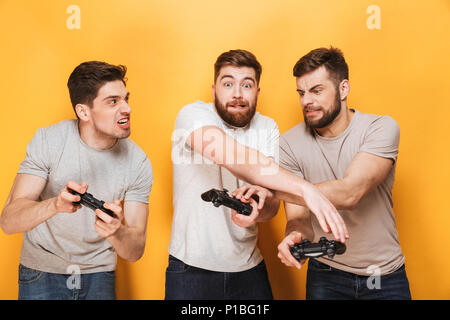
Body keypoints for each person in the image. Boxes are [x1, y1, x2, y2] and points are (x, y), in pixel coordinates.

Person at [166, 49, 347, 300]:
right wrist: (307, 190)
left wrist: (259, 205)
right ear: (214, 89)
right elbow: (229, 154)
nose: (237, 93)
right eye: (227, 83)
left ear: (257, 92)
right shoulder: (192, 115)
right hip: (190, 270)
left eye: (247, 85)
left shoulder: (267, 127)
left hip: (249, 270)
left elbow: (271, 206)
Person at [0, 61, 153, 300]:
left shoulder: (138, 161)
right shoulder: (48, 140)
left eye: (126, 99)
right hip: (41, 271)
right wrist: (55, 205)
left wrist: (116, 232)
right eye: (113, 101)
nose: (127, 109)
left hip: (99, 274)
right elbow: (9, 222)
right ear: (83, 112)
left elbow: (134, 251)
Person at [276, 47, 411, 300]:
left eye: (317, 91)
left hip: (384, 273)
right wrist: (296, 237)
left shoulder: (380, 128)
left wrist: (270, 187)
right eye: (301, 93)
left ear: (343, 89)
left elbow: (351, 193)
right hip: (326, 272)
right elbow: (299, 217)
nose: (306, 101)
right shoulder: (288, 144)